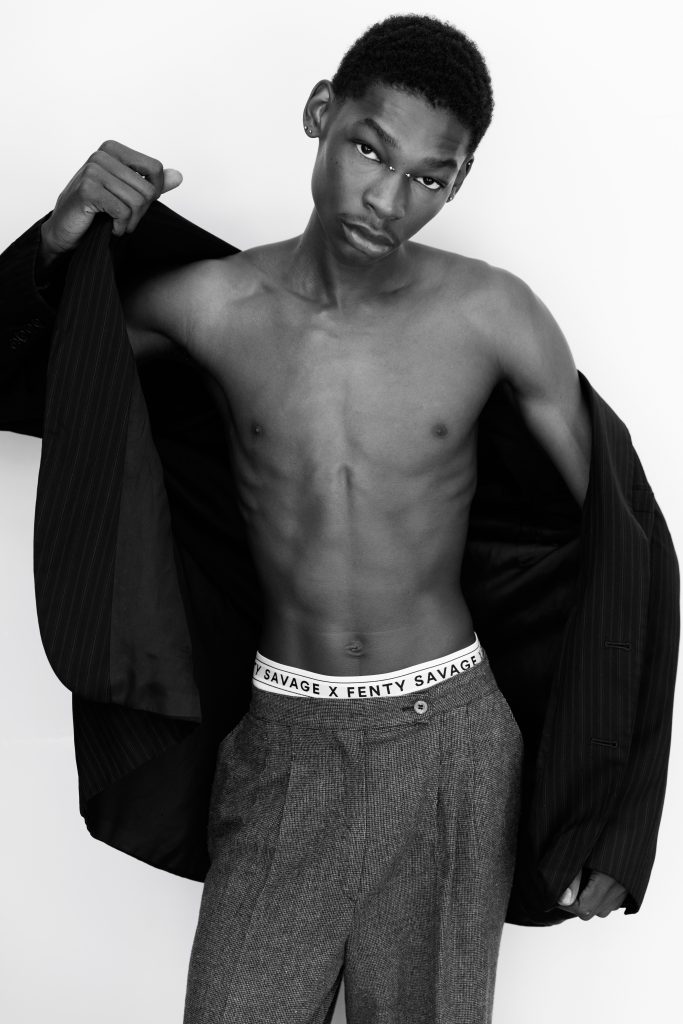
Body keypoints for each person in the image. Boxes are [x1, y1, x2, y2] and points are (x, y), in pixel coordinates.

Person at [1, 13, 678, 1024]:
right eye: (370, 149)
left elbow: (630, 549)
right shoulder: (212, 307)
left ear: (458, 181)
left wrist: (615, 818)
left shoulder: (491, 316)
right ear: (321, 112)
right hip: (283, 745)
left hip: (450, 744)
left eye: (429, 178)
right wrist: (60, 236)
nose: (389, 199)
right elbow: (30, 376)